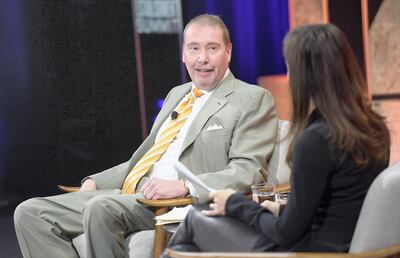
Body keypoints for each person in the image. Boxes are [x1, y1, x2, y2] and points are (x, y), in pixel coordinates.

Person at [13, 14, 278, 258]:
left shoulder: (251, 98)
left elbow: (248, 170)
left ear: (228, 51)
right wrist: (97, 180)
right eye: (194, 48)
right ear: (183, 54)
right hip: (130, 193)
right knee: (30, 212)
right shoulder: (178, 94)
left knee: (100, 208)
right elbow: (148, 157)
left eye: (212, 48)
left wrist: (185, 185)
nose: (202, 58)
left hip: (175, 203)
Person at [162, 23, 391, 256]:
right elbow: (334, 204)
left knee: (194, 220)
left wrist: (235, 203)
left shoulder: (316, 141)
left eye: (290, 67)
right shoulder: (374, 126)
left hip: (310, 252)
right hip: (339, 245)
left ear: (305, 76)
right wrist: (279, 209)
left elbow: (284, 234)